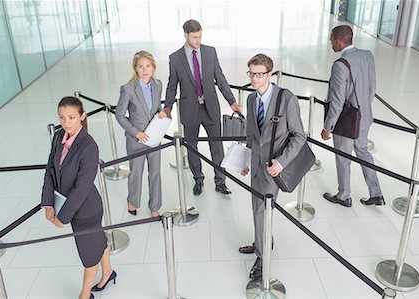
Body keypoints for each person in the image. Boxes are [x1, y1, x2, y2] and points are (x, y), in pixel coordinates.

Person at [41, 97, 116, 299]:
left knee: (88, 256)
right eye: (62, 118)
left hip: (86, 210)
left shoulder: (89, 146)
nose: (66, 123)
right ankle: (108, 272)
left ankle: (84, 295)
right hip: (69, 205)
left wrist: (62, 217)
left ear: (82, 117)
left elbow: (82, 188)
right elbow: (50, 171)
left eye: (72, 117)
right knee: (97, 240)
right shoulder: (58, 137)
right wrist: (47, 203)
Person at [239, 54, 306, 280]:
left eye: (259, 74)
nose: (254, 79)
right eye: (251, 73)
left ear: (270, 74)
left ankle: (262, 256)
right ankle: (263, 240)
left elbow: (299, 136)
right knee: (258, 208)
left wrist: (281, 162)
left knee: (261, 209)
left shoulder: (285, 99)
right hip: (257, 163)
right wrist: (246, 159)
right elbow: (251, 133)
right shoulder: (251, 99)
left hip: (274, 165)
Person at [163, 19, 241, 196]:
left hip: (210, 107)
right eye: (194, 37)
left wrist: (231, 101)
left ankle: (220, 181)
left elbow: (220, 78)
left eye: (200, 36)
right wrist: (167, 106)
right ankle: (198, 179)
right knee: (192, 147)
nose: (198, 40)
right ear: (185, 35)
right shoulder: (175, 58)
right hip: (189, 109)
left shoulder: (210, 52)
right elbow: (171, 85)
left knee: (217, 146)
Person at [321, 25, 384, 208]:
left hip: (347, 122)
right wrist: (363, 110)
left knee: (343, 157)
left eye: (332, 39)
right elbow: (372, 87)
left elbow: (337, 101)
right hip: (364, 117)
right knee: (363, 152)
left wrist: (328, 127)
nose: (330, 42)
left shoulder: (340, 65)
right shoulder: (367, 55)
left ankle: (344, 195)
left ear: (339, 41)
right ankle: (376, 193)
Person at [116, 51, 165, 217]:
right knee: (136, 172)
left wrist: (162, 114)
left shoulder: (158, 84)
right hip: (136, 140)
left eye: (148, 66)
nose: (144, 70)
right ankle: (133, 201)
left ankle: (155, 207)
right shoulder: (128, 89)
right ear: (135, 69)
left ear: (153, 68)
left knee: (155, 173)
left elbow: (156, 107)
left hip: (154, 138)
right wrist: (136, 133)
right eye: (140, 66)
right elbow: (120, 115)